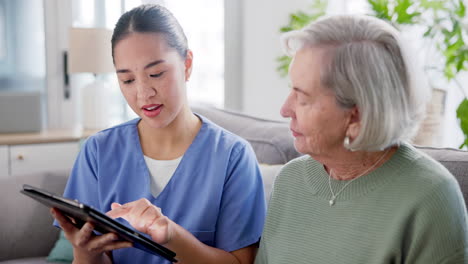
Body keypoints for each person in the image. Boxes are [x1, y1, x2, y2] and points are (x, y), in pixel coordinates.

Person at [52, 4, 266, 264]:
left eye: (156, 74)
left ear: (187, 65)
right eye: (128, 80)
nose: (143, 94)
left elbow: (241, 262)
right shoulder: (98, 151)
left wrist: (170, 235)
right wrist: (85, 252)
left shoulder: (232, 156)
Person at [255, 15, 468, 264]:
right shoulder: (291, 182)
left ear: (356, 116)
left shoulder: (430, 198)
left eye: (303, 98)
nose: (285, 109)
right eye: (291, 89)